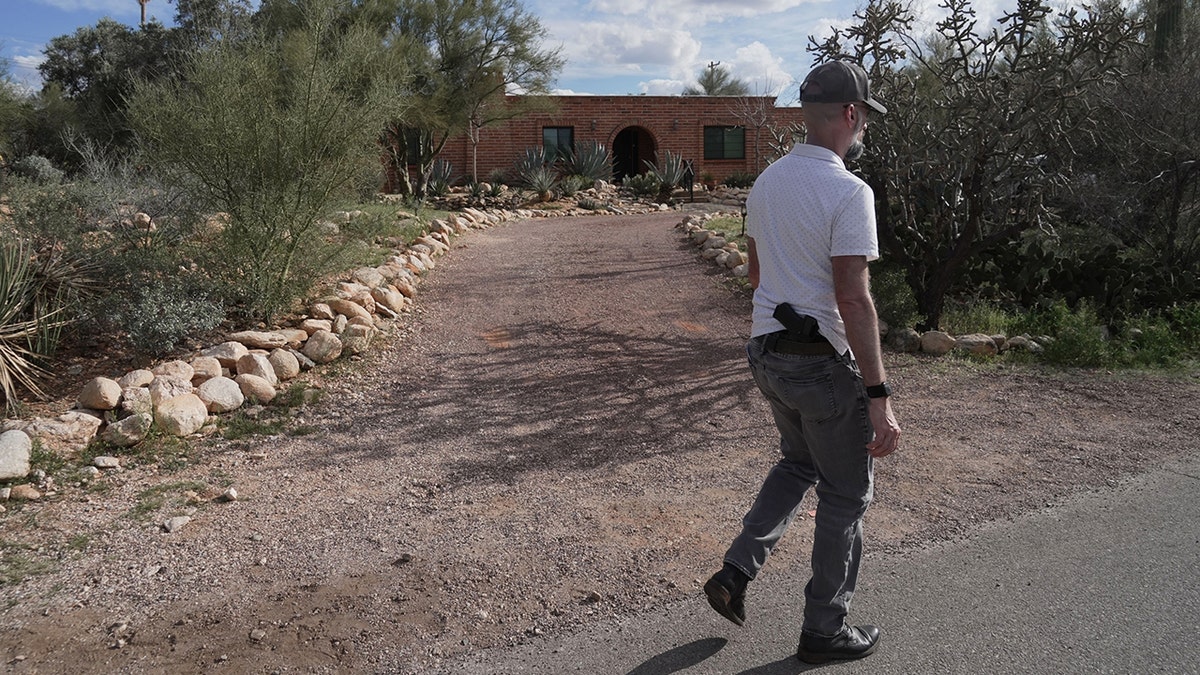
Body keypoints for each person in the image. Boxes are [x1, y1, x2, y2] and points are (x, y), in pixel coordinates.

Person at [703, 60, 902, 665]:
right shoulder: (850, 192)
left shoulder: (766, 183)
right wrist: (878, 396)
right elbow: (852, 297)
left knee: (796, 465)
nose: (863, 123)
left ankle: (737, 570)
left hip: (768, 356)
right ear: (849, 115)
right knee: (846, 494)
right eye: (864, 113)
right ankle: (824, 628)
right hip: (821, 364)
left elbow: (759, 275)